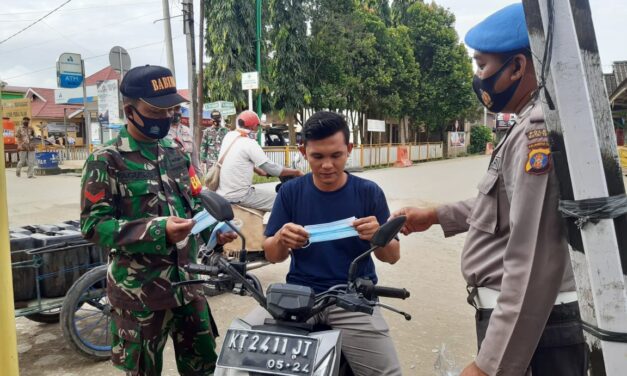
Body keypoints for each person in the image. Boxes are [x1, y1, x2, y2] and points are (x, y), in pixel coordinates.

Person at [391, 4, 586, 376]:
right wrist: (434, 216)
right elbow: (503, 204)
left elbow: (533, 261)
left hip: (537, 330)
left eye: (482, 65)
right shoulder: (523, 121)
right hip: (527, 327)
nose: (478, 76)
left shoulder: (536, 132)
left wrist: (488, 366)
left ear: (518, 66)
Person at [80, 65, 236, 376]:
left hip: (187, 286)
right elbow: (93, 226)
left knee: (204, 366)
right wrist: (156, 230)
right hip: (139, 293)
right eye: (156, 110)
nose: (166, 117)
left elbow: (193, 201)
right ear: (130, 110)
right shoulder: (106, 159)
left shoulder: (175, 152)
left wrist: (213, 232)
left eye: (172, 110)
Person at [256, 111, 402, 375]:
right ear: (303, 151)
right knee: (248, 355)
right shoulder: (290, 192)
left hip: (353, 299)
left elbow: (391, 256)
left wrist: (378, 235)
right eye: (317, 156)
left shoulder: (368, 192)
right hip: (298, 297)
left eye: (336, 155)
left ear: (349, 149)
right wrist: (280, 239)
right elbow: (273, 255)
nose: (327, 165)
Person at [215, 110, 302, 212]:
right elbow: (271, 168)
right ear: (252, 126)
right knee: (284, 201)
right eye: (258, 126)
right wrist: (296, 172)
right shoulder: (249, 143)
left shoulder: (229, 136)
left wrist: (258, 171)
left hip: (223, 192)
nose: (258, 128)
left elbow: (238, 159)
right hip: (240, 195)